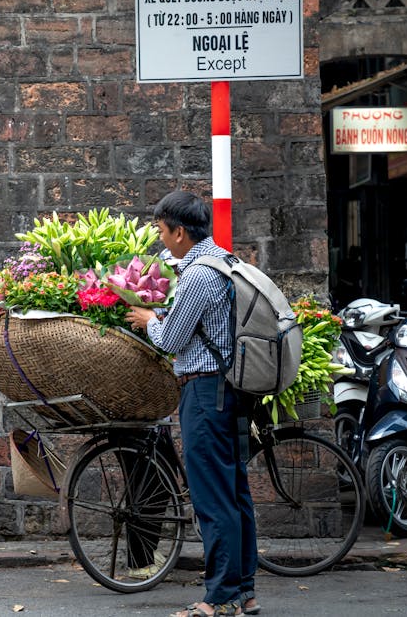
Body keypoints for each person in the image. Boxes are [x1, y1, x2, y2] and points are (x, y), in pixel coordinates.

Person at [125, 191, 259, 617]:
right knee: (235, 494)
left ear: (180, 232)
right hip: (231, 388)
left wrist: (149, 321)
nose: (162, 240)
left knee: (213, 499)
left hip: (205, 393)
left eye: (163, 232)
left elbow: (171, 339)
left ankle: (219, 599)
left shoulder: (199, 274)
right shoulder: (225, 261)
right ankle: (244, 593)